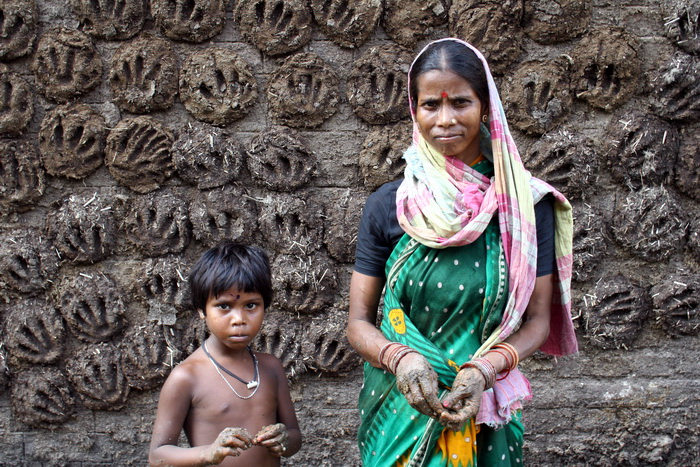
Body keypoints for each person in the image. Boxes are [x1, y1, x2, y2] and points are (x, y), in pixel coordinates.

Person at [347, 38, 577, 466]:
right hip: (401, 403)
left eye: (461, 103)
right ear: (413, 110)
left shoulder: (524, 207)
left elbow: (538, 321)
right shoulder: (390, 204)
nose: (445, 119)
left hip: (482, 405)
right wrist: (401, 360)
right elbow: (358, 324)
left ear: (486, 106)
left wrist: (483, 371)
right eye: (431, 105)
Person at [149, 242, 301, 466]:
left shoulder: (270, 368)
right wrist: (209, 452)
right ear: (201, 310)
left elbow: (295, 436)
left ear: (265, 306)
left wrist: (284, 439)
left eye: (251, 305)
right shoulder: (187, 377)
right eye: (224, 306)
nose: (239, 319)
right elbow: (157, 455)